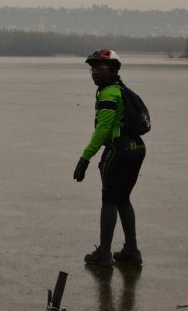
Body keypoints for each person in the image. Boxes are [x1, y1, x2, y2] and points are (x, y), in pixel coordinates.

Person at [73, 49, 146, 266]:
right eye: (92, 69)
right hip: (136, 148)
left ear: (114, 70)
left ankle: (104, 253)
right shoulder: (122, 90)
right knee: (123, 199)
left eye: (100, 69)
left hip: (118, 150)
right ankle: (132, 251)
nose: (95, 73)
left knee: (109, 201)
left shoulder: (109, 93)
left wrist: (84, 158)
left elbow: (103, 129)